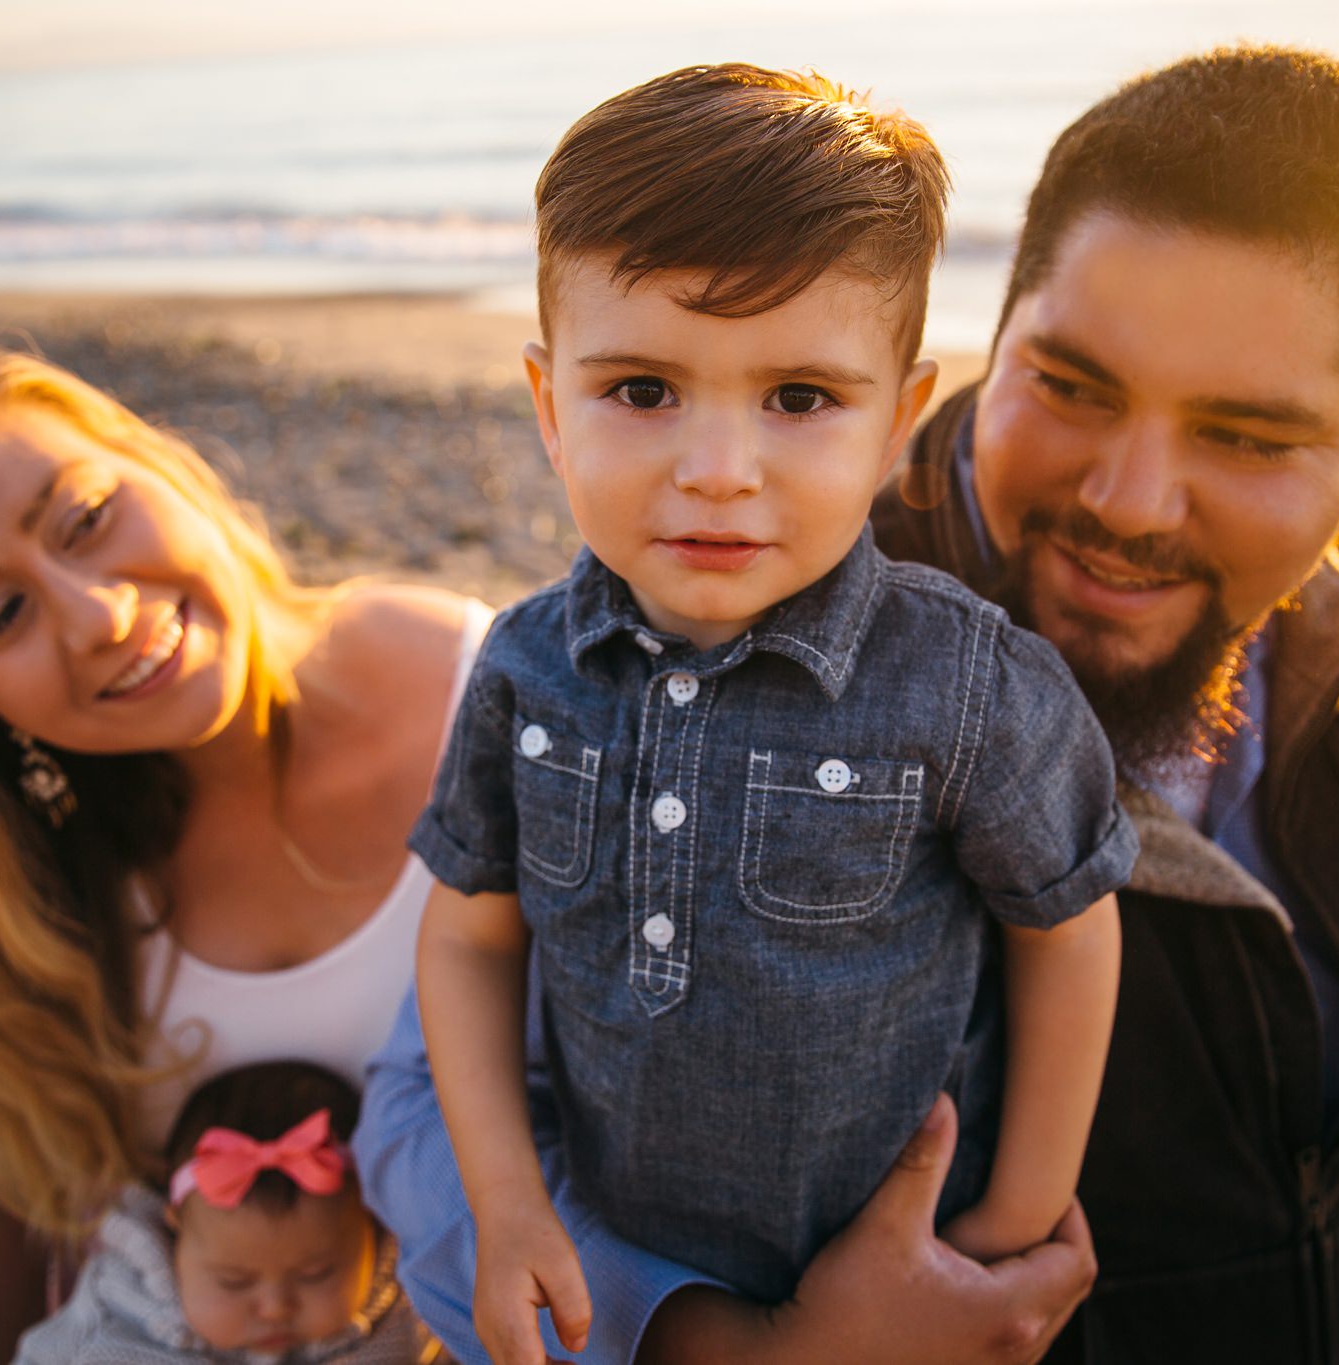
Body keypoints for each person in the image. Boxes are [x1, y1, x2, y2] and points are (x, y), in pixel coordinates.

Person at [357, 45, 1339, 1365]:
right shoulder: (694, 628)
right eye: (1072, 385)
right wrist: (736, 1350)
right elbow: (417, 1111)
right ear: (994, 340)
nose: (1128, 501)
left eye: (1248, 436)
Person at [407, 64, 1134, 1365]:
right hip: (625, 1272)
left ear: (900, 420)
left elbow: (1070, 932)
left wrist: (1009, 1231)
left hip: (905, 1284)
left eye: (800, 399)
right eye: (641, 390)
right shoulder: (525, 670)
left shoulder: (961, 681)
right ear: (548, 406)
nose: (718, 470)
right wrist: (506, 1200)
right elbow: (467, 944)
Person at [0, 348, 486, 1365]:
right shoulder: (32, 902)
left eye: (84, 518)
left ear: (154, 464)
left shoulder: (473, 685)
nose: (99, 615)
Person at [14, 1060, 443, 1363]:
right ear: (175, 1230)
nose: (275, 1308)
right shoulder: (114, 1320)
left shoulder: (406, 1313)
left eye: (316, 1274)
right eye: (233, 1282)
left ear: (371, 1227)